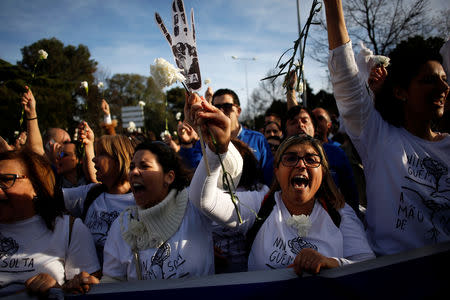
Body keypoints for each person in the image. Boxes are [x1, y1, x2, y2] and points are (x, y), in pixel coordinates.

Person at [188, 98, 374, 275]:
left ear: (323, 172)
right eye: (291, 158)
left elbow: (366, 267)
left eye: (311, 159)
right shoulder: (259, 205)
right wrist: (216, 150)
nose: (301, 165)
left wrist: (331, 263)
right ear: (276, 170)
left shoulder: (340, 213)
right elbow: (204, 200)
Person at [324, 0, 449, 256]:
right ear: (401, 92)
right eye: (428, 80)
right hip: (390, 278)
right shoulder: (379, 138)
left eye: (444, 79)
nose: (443, 88)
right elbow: (346, 77)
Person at [102, 138, 242, 281]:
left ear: (169, 177)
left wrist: (217, 141)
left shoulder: (194, 205)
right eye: (132, 167)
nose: (134, 172)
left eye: (144, 166)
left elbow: (231, 173)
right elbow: (112, 282)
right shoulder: (122, 227)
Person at [0, 149, 100, 296]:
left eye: (6, 180)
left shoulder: (69, 229)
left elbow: (89, 291)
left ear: (36, 185)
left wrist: (58, 289)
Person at [62, 125, 135, 264]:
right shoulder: (90, 193)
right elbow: (48, 195)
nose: (94, 159)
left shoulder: (142, 199)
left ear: (118, 158)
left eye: (101, 154)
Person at [179, 89, 274, 186]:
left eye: (227, 106)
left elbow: (269, 177)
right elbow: (193, 173)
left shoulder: (258, 139)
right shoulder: (204, 141)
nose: (221, 110)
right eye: (216, 107)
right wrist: (187, 143)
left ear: (238, 111)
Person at [285, 105, 361, 215]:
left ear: (314, 128)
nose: (300, 125)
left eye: (305, 121)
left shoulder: (336, 153)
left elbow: (350, 195)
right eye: (293, 122)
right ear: (284, 131)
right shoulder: (276, 162)